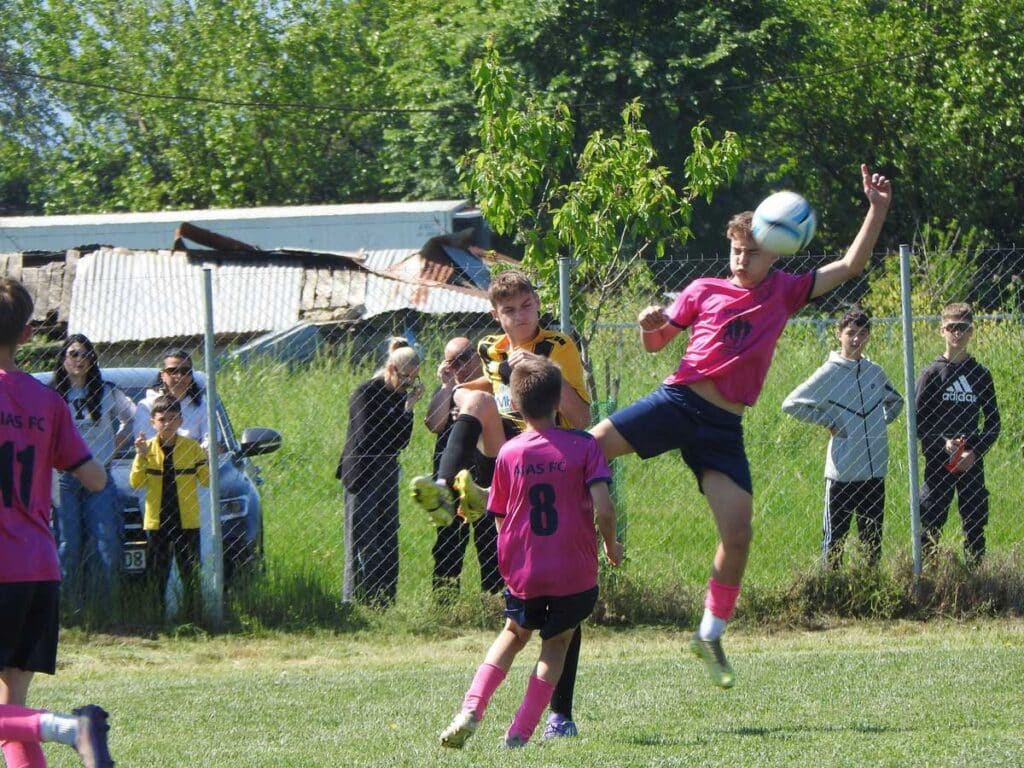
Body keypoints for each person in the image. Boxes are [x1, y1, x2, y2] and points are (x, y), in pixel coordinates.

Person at [588, 164, 892, 688]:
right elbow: (659, 343)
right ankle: (502, 492)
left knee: (738, 533)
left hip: (723, 429)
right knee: (590, 446)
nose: (740, 257)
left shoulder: (786, 292)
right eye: (735, 248)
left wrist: (877, 208)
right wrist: (647, 325)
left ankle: (709, 634)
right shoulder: (703, 289)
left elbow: (851, 263)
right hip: (678, 401)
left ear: (775, 252)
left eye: (751, 250)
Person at [410, 269, 592, 739]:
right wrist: (454, 387)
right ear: (496, 314)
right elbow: (483, 396)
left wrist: (540, 373)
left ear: (538, 305)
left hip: (553, 455)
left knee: (562, 602)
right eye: (508, 310)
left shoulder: (559, 346)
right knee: (474, 402)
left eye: (526, 306)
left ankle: (560, 714)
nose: (518, 316)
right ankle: (445, 486)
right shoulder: (491, 348)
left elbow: (582, 416)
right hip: (511, 455)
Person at [438, 358, 622, 750]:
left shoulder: (509, 454)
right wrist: (610, 544)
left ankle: (471, 708)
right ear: (558, 400)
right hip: (574, 572)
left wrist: (513, 560)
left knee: (513, 634)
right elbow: (604, 508)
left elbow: (500, 516)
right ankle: (519, 733)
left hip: (526, 571)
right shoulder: (584, 446)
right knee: (556, 644)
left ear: (515, 406)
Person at [0, 277, 115, 767]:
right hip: (36, 565)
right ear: (27, 335)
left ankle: (67, 727)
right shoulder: (49, 402)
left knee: (20, 712)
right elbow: (93, 480)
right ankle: (56, 726)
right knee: (12, 705)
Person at [781, 308, 903, 567]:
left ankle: (868, 590)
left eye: (862, 333)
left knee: (872, 542)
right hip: (842, 473)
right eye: (850, 333)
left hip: (874, 473)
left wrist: (878, 423)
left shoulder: (874, 372)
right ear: (839, 335)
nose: (856, 339)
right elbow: (791, 404)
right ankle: (830, 592)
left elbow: (896, 401)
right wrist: (829, 422)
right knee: (835, 540)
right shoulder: (829, 373)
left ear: (869, 336)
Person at [336, 338, 424, 607]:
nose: (409, 385)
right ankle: (356, 600)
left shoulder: (400, 398)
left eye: (414, 380)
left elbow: (401, 442)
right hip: (363, 471)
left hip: (387, 470)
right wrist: (395, 422)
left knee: (388, 535)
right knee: (363, 536)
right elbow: (366, 437)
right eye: (406, 378)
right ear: (390, 369)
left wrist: (408, 409)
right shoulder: (366, 393)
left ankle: (385, 601)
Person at [50, 335, 136, 606]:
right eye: (73, 354)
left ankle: (104, 608)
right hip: (64, 478)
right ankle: (67, 608)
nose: (79, 359)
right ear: (63, 358)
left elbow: (134, 418)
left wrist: (115, 445)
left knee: (106, 542)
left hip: (99, 476)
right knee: (68, 545)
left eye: (86, 354)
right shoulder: (51, 396)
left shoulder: (108, 391)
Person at [916, 303, 1001, 564]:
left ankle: (976, 577)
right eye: (951, 328)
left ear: (971, 331)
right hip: (939, 464)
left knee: (974, 522)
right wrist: (942, 443)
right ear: (942, 330)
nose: (957, 334)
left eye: (962, 328)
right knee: (930, 522)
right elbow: (918, 423)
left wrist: (974, 453)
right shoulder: (931, 374)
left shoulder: (980, 374)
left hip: (970, 463)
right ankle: (928, 578)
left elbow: (993, 423)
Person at [424, 337, 502, 601]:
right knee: (448, 540)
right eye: (452, 362)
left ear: (477, 358)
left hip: (483, 474)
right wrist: (447, 387)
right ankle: (445, 603)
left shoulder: (489, 388)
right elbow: (434, 424)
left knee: (490, 539)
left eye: (464, 358)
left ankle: (493, 599)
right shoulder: (447, 390)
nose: (459, 366)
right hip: (449, 475)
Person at [130, 396, 210, 622]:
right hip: (158, 521)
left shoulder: (191, 448)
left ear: (181, 421)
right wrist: (141, 456)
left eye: (173, 418)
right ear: (153, 422)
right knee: (157, 573)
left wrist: (205, 459)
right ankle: (156, 618)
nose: (168, 424)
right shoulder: (148, 449)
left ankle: (194, 617)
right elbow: (135, 482)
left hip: (186, 520)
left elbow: (205, 481)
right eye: (162, 419)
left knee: (190, 571)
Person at [133, 350, 208, 445]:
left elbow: (212, 443)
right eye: (173, 371)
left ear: (191, 375)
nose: (179, 376)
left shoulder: (202, 406)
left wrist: (194, 456)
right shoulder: (147, 406)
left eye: (185, 371)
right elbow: (147, 445)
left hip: (196, 458)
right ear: (163, 375)